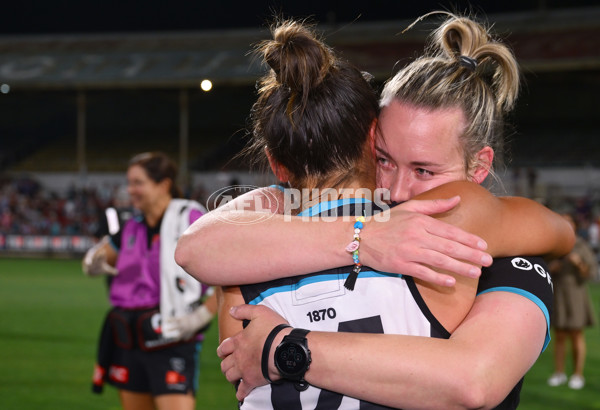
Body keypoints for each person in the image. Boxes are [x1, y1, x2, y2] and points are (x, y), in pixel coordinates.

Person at [177, 13, 574, 409]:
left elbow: (472, 381)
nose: (398, 190)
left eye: (424, 170)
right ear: (369, 138)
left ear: (480, 166)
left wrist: (284, 350)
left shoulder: (247, 257)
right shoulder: (458, 220)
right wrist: (362, 237)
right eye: (384, 159)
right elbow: (561, 231)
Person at [82, 151, 217, 410]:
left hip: (173, 338)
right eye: (129, 183)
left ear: (163, 184)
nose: (130, 190)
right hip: (129, 338)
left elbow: (226, 278)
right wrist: (93, 262)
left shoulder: (190, 220)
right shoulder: (131, 226)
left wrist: (199, 317)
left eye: (138, 183)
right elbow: (96, 261)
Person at [547, 213, 597, 390]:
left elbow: (590, 274)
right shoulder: (553, 247)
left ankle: (577, 374)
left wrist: (579, 264)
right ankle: (559, 373)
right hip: (559, 293)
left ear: (575, 227)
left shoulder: (581, 246)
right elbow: (542, 271)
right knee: (559, 335)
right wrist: (552, 268)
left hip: (576, 294)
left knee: (576, 335)